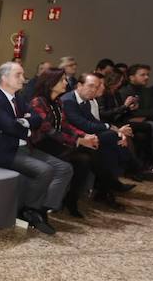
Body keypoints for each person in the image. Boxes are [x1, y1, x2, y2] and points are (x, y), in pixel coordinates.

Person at [0, 62, 73, 235]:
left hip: (24, 148)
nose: (23, 79)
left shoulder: (18, 98)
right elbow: (10, 127)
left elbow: (37, 119)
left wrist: (24, 121)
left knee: (64, 168)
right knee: (45, 170)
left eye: (23, 75)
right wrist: (27, 127)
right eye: (18, 75)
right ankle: (28, 210)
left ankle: (40, 209)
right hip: (5, 152)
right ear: (4, 78)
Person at [33, 71, 130, 215]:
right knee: (89, 153)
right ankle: (110, 184)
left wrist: (84, 135)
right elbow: (48, 130)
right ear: (51, 83)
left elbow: (65, 125)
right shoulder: (39, 102)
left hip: (58, 142)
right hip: (42, 143)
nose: (66, 83)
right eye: (62, 80)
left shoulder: (57, 101)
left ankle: (73, 198)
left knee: (86, 157)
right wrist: (78, 140)